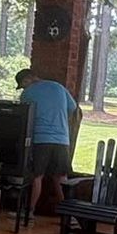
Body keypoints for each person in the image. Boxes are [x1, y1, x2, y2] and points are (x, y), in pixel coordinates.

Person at [15, 67, 80, 216]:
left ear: (27, 79)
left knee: (37, 176)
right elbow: (73, 107)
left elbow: (24, 115)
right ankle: (68, 215)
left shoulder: (27, 93)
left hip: (41, 139)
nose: (23, 89)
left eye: (23, 85)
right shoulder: (59, 87)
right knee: (60, 178)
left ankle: (29, 212)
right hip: (62, 140)